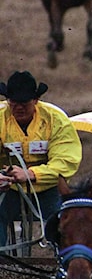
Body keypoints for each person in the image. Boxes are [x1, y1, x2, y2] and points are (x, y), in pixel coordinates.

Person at [0, 71, 82, 251]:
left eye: (24, 103)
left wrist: (30, 174)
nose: (18, 108)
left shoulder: (56, 119)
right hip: (8, 189)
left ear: (36, 100)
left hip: (48, 189)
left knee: (70, 222)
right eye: (13, 103)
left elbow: (65, 161)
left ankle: (68, 266)